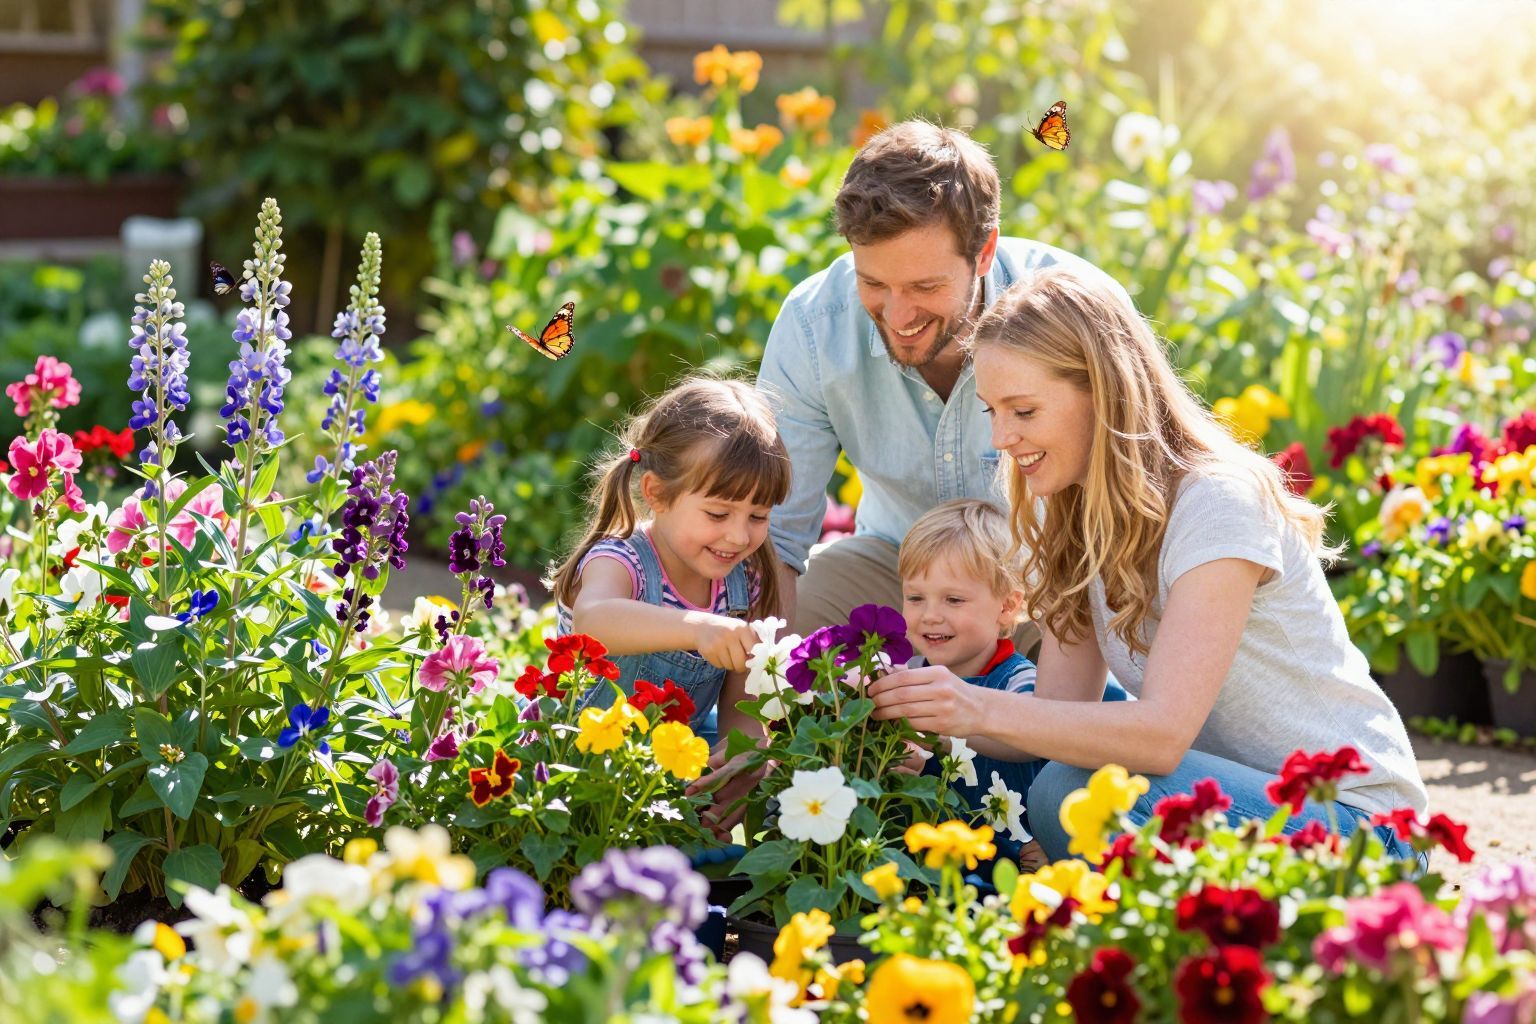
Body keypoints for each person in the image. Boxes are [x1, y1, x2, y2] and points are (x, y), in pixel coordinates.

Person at [867, 267, 1431, 861]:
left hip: (1359, 828)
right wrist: (914, 713)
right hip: (1235, 800)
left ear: (1104, 392)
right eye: (991, 412)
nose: (1002, 437)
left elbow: (1161, 737)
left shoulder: (1216, 500)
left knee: (1074, 791)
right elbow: (1058, 716)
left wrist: (974, 704)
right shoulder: (1078, 517)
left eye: (1024, 412)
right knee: (1069, 767)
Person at [756, 119, 1132, 647]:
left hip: (1050, 581)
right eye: (874, 283)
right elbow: (778, 534)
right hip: (899, 575)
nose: (898, 313)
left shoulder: (1076, 308)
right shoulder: (815, 323)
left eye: (925, 286)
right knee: (789, 612)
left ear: (983, 252)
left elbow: (1128, 507)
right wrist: (750, 708)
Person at [547, 377, 789, 744]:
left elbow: (742, 706)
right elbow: (592, 621)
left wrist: (739, 762)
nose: (740, 537)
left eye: (758, 516)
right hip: (570, 756)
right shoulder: (620, 559)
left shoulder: (743, 583)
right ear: (657, 493)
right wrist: (698, 628)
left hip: (663, 768)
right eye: (718, 514)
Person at [899, 498, 1128, 873]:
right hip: (937, 858)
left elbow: (1029, 743)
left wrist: (1051, 842)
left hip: (1016, 855)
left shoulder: (1022, 683)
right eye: (915, 598)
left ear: (1007, 607)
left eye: (953, 599)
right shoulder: (908, 673)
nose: (930, 615)